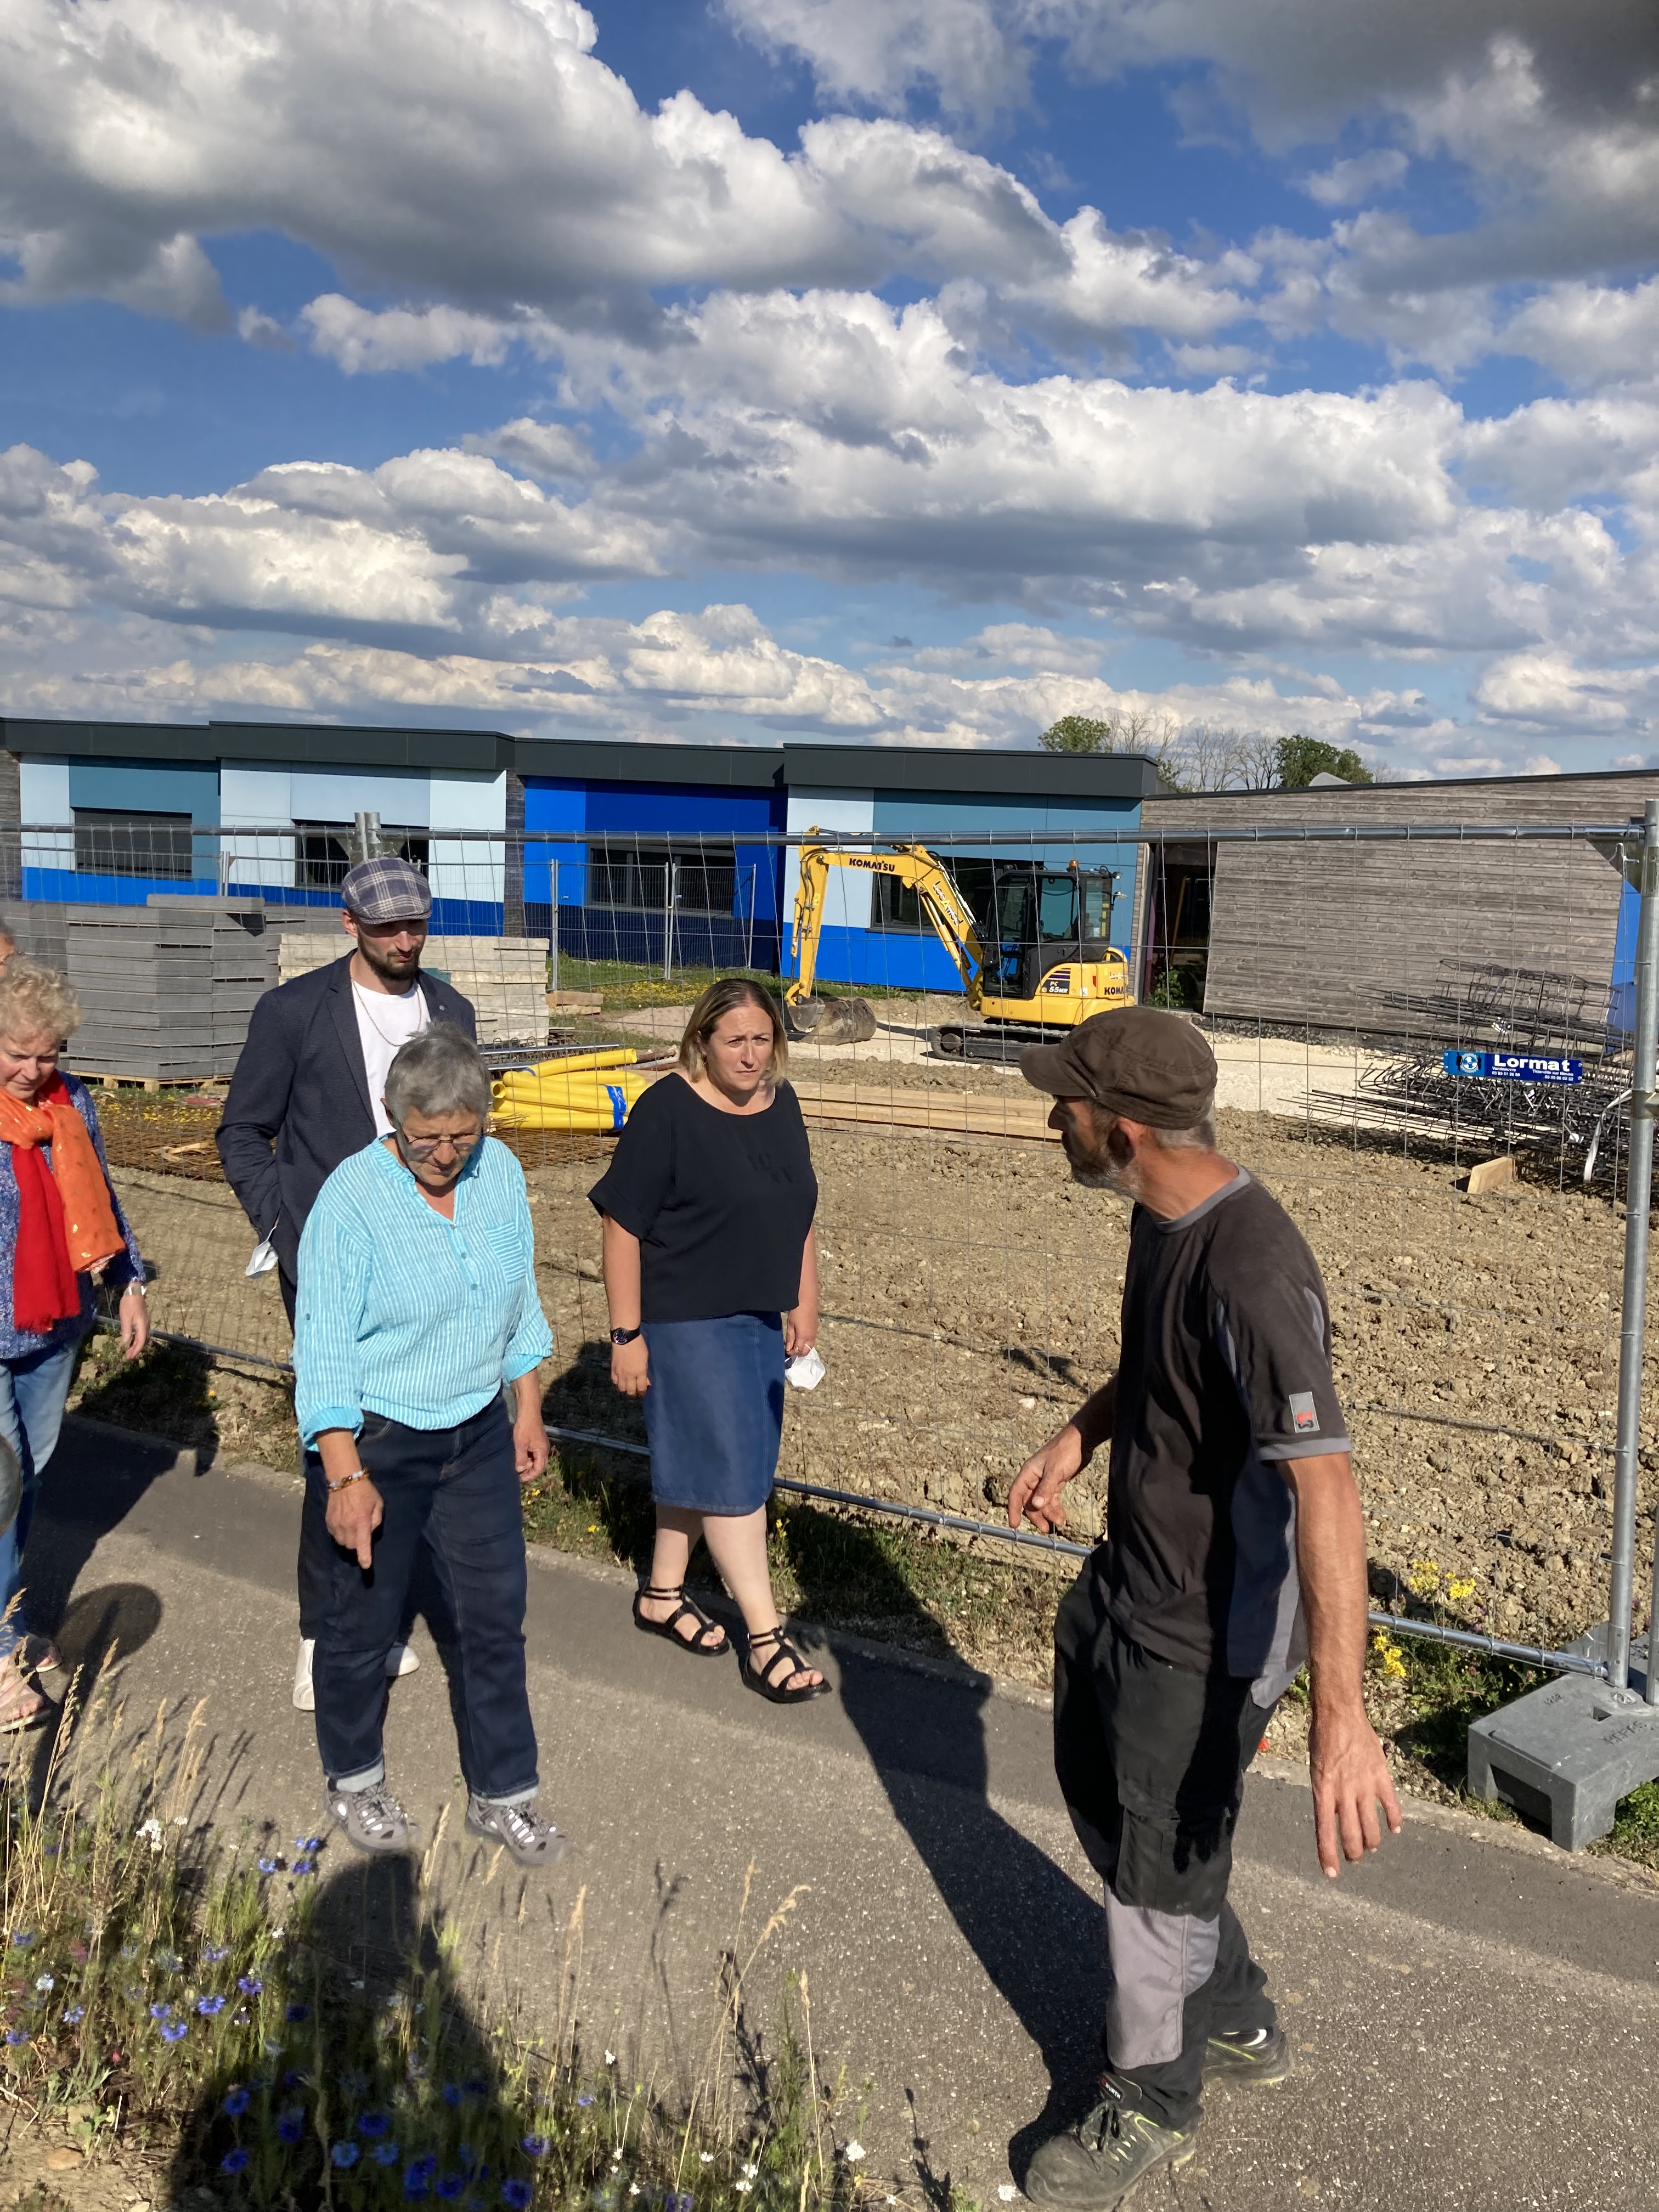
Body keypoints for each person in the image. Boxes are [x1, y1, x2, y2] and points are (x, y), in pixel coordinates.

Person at [1008, 1006, 1402, 2210]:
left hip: (1206, 1637)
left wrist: (1344, 1716)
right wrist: (1081, 1437)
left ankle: (1152, 2100)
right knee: (1112, 1811)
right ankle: (1229, 2011)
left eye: (1066, 1101)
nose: (1051, 1115)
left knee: (1151, 1880)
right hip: (1132, 1587)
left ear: (1122, 1127)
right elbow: (1161, 1366)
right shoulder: (1161, 1211)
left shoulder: (1254, 1264)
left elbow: (1327, 1489)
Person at [293, 1022, 565, 1865]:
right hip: (379, 1439)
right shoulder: (352, 1198)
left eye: (461, 1135)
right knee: (360, 1623)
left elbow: (517, 1300)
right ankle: (356, 1777)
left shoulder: (501, 1173)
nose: (445, 1154)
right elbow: (325, 1342)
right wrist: (345, 1476)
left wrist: (528, 1403)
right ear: (391, 1117)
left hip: (478, 1431)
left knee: (493, 1618)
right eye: (426, 1138)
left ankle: (504, 1794)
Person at [217, 855, 476, 1711]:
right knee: (338, 1440)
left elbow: (462, 1131)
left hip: (426, 1257)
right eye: (387, 927)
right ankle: (322, 1636)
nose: (405, 941)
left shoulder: (451, 1010)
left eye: (417, 925)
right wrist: (287, 1228)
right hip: (329, 1258)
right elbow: (242, 1130)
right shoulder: (294, 1012)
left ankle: (377, 1614)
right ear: (349, 924)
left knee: (407, 1440)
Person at [590, 978, 827, 1703]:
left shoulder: (781, 1104)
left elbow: (802, 1206)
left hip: (758, 1316)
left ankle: (662, 1592)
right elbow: (620, 1225)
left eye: (762, 1040)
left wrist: (804, 1297)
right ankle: (765, 1635)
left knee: (720, 1454)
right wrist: (626, 1333)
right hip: (685, 1318)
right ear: (703, 1040)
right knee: (730, 1470)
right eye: (735, 1041)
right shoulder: (667, 1110)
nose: (750, 1056)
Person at [0, 960, 149, 1730]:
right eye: (17, 1053)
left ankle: (12, 1610)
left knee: (29, 1480)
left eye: (48, 1053)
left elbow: (102, 1198)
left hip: (57, 1322)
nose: (33, 1070)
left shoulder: (71, 1102)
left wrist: (129, 1281)